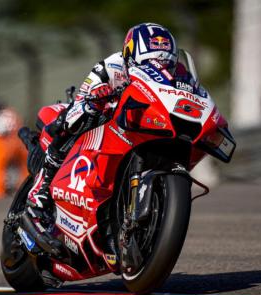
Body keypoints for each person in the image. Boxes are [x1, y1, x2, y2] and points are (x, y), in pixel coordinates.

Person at [27, 22, 188, 225]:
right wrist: (96, 98)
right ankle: (41, 188)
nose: (159, 67)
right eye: (150, 62)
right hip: (107, 118)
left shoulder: (180, 74)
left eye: (165, 63)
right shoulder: (111, 66)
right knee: (74, 119)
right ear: (130, 55)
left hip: (142, 124)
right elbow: (82, 99)